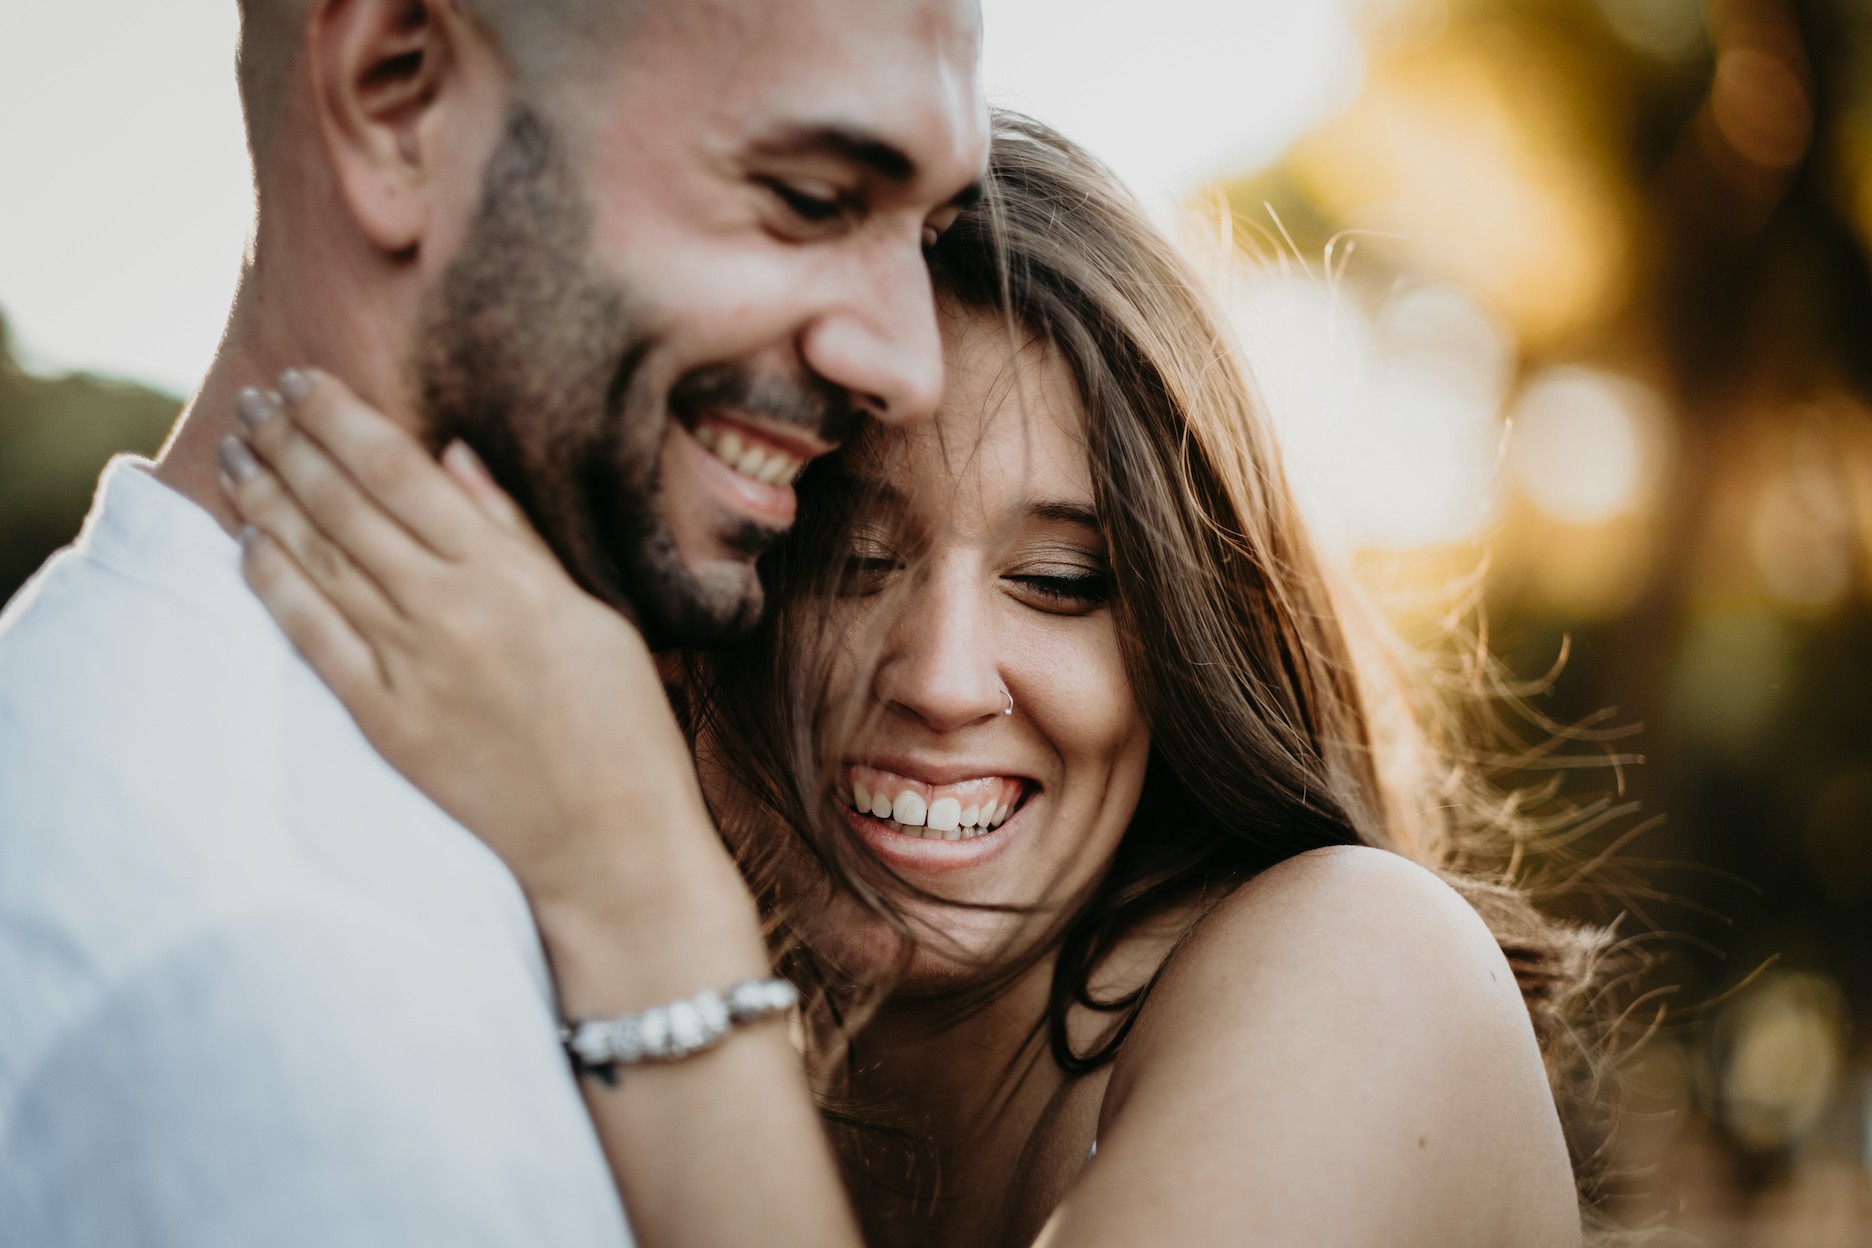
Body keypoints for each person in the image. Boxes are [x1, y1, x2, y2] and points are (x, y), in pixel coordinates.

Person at [217, 113, 1614, 1245]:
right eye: (845, 558)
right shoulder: (541, 1023)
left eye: (1063, 583)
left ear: (1188, 641)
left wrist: (639, 890)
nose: (945, 681)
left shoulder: (1366, 970)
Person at [0, 0, 985, 1243]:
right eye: (809, 197)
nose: (910, 365)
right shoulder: (279, 975)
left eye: (930, 233)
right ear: (396, 96)